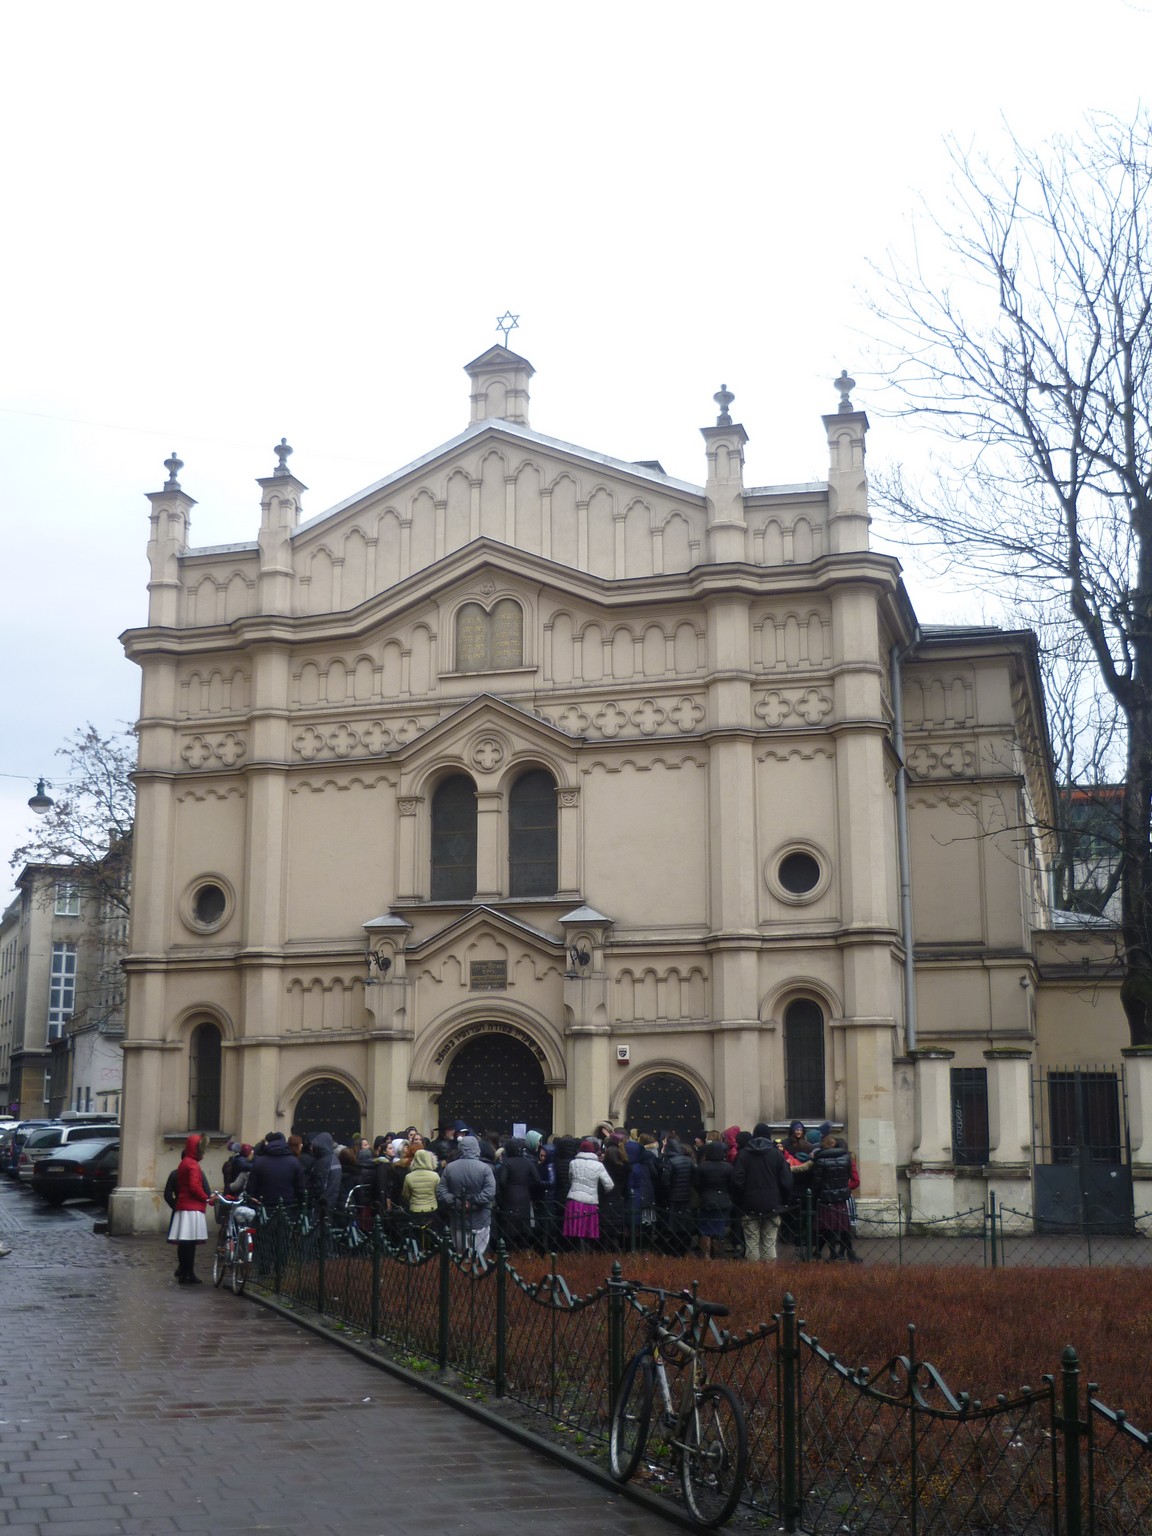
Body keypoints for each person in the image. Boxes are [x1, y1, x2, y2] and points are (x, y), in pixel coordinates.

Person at [731, 1122, 793, 1262]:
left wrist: (739, 1201)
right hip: (772, 1204)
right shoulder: (776, 1154)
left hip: (748, 1204)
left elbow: (737, 1181)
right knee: (769, 1244)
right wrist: (785, 1201)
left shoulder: (743, 1154)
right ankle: (768, 1278)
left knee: (751, 1244)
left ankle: (754, 1279)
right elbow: (786, 1181)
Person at [436, 1134, 496, 1256]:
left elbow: (441, 1191)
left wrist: (457, 1202)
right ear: (476, 1148)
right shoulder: (485, 1168)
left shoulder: (450, 1167)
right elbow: (489, 1192)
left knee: (460, 1253)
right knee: (478, 1254)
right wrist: (474, 1202)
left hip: (457, 1216)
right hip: (480, 1217)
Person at [168, 1133, 212, 1284]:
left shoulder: (185, 1162)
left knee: (185, 1243)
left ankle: (185, 1272)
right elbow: (194, 1187)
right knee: (190, 1244)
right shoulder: (192, 1164)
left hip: (184, 1205)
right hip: (191, 1207)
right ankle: (188, 1273)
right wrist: (206, 1197)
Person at [810, 1134, 862, 1261]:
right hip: (842, 1197)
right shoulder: (846, 1158)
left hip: (826, 1198)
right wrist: (845, 1188)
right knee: (843, 1227)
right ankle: (849, 1254)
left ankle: (833, 1254)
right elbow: (852, 1178)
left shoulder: (820, 1160)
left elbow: (816, 1182)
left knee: (828, 1227)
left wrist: (814, 1196)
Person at [563, 1138, 614, 1248]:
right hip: (590, 1203)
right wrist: (601, 1193)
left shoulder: (573, 1163)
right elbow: (609, 1185)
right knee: (588, 1233)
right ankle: (587, 1257)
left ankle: (574, 1256)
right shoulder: (598, 1165)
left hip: (574, 1201)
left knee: (574, 1233)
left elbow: (570, 1179)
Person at [495, 1137, 543, 1251]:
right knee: (523, 1226)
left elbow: (502, 1181)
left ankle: (509, 1251)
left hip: (510, 1197)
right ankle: (522, 1251)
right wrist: (525, 1185)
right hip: (524, 1196)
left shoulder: (507, 1162)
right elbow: (537, 1180)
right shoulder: (528, 1162)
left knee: (509, 1226)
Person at [245, 1130, 306, 1212]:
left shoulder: (259, 1162)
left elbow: (251, 1187)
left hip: (264, 1207)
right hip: (288, 1206)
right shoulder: (294, 1162)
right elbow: (300, 1188)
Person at [693, 1140, 733, 1260]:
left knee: (705, 1229)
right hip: (723, 1200)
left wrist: (703, 1193)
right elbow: (732, 1184)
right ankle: (717, 1256)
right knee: (719, 1228)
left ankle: (706, 1255)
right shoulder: (728, 1167)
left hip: (706, 1199)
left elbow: (696, 1184)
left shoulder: (702, 1167)